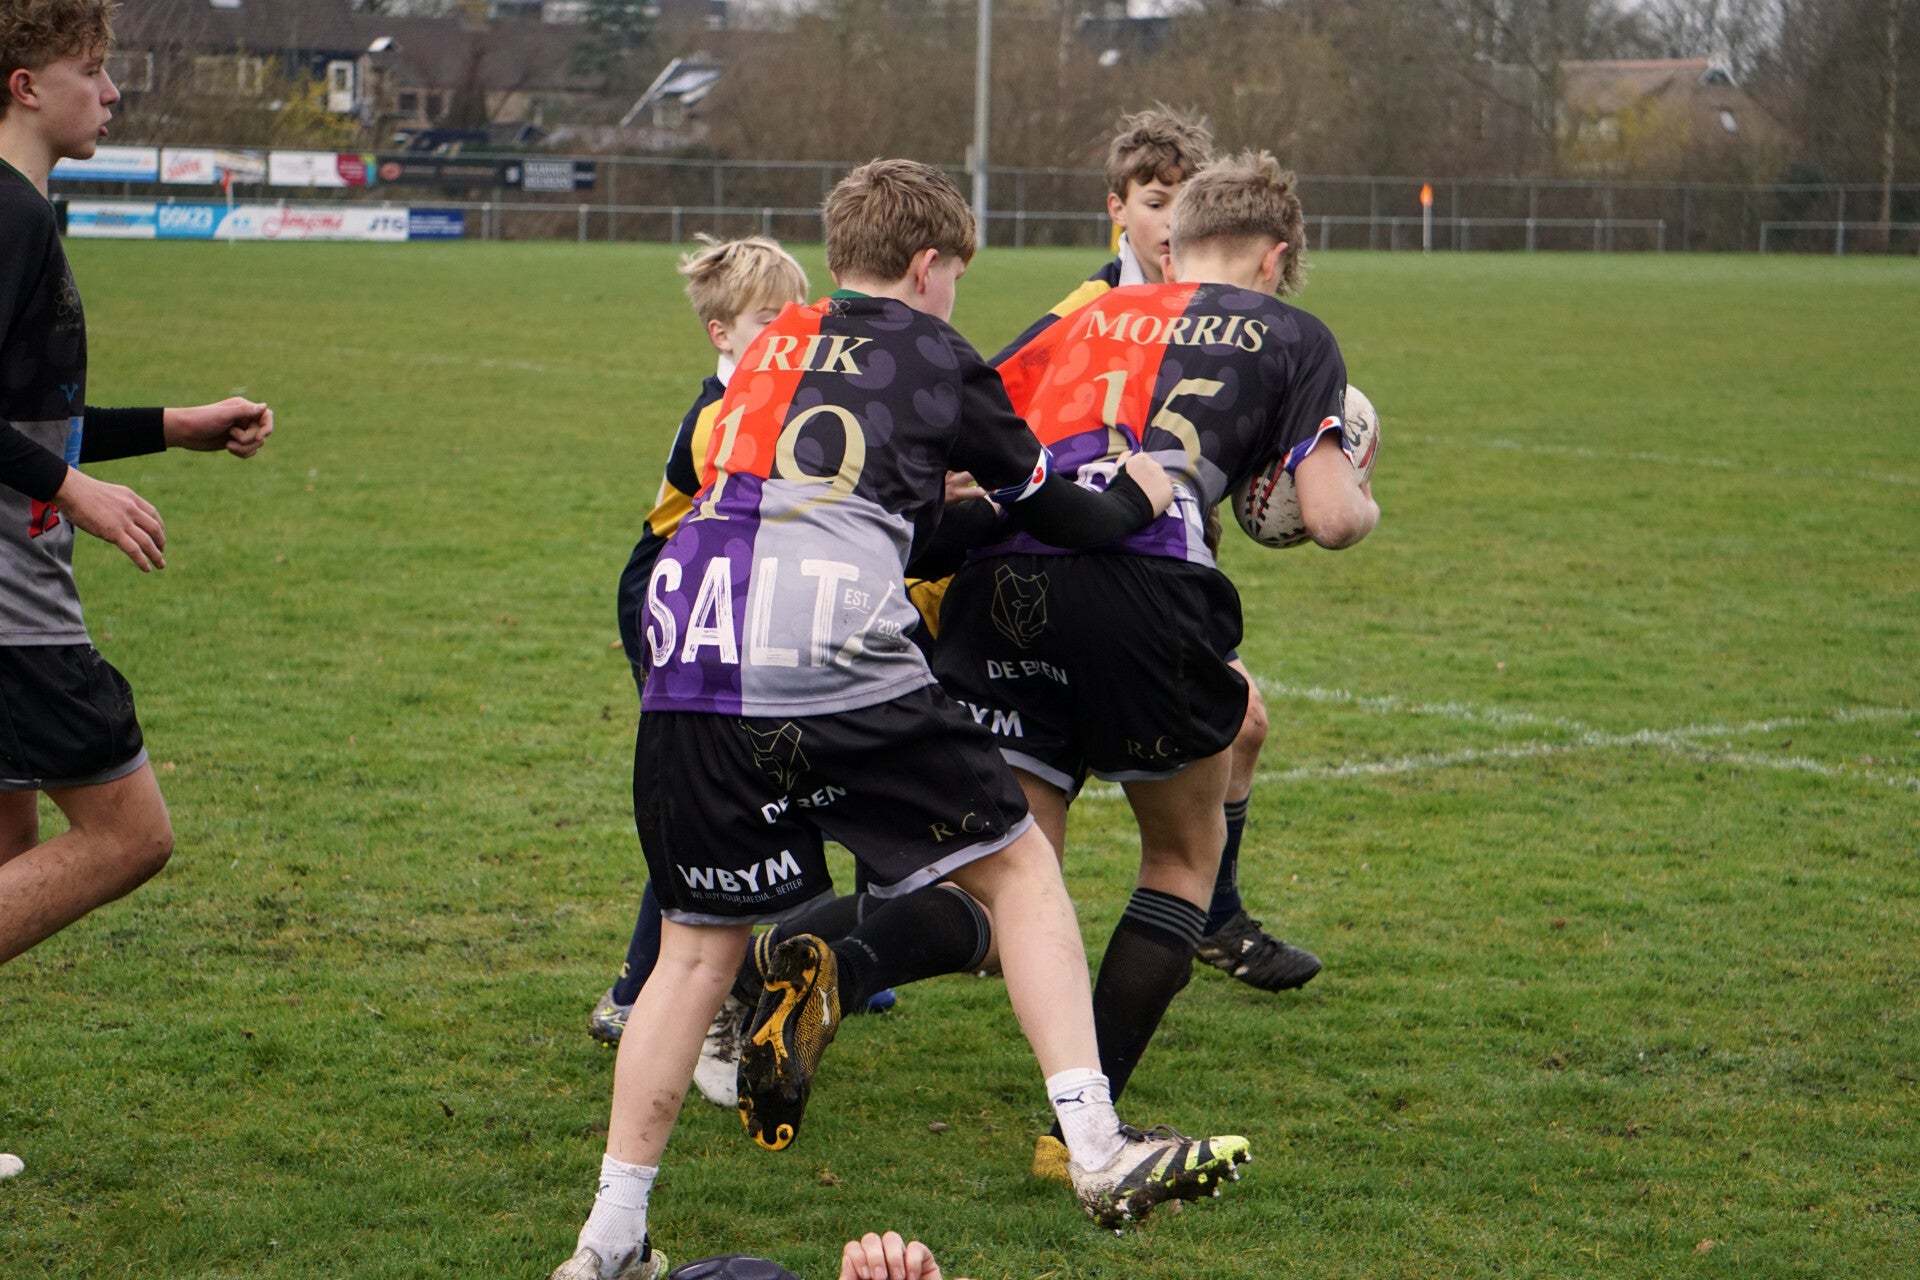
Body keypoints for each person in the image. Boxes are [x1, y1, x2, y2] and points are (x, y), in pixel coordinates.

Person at [547, 159, 1248, 1280]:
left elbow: (810, 500)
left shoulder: (768, 344)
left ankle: (607, 1240)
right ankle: (1097, 1145)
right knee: (1019, 869)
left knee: (690, 957)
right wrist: (1142, 491)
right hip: (824, 637)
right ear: (928, 267)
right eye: (954, 274)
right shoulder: (936, 350)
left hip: (690, 644)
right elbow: (1056, 511)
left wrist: (942, 511)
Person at [934, 150, 1380, 1182]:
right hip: (1144, 583)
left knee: (1009, 877)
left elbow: (964, 430)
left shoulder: (1088, 312)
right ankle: (1077, 1135)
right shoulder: (1296, 335)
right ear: (1275, 260)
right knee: (1180, 857)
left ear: (1171, 246)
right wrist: (1361, 494)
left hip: (1002, 582)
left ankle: (820, 954)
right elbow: (1326, 515)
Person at [992, 106, 1323, 995]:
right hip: (1076, 566)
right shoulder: (1090, 311)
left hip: (1156, 562)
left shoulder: (1224, 310)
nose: (1171, 221)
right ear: (1119, 210)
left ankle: (1213, 915)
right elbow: (991, 404)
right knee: (1015, 870)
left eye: (1186, 201)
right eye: (1154, 202)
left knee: (1243, 724)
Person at [1, 0, 274, 967]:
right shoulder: (11, 214)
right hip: (13, 606)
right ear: (25, 88)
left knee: (11, 854)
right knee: (130, 835)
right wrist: (73, 490)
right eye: (90, 71)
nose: (112, 92)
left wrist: (171, 427)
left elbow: (24, 420)